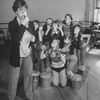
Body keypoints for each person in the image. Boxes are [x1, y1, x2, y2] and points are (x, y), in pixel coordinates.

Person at [8, 0, 35, 100]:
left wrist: (33, 39)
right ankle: (11, 97)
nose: (23, 11)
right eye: (20, 9)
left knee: (28, 76)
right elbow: (15, 39)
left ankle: (29, 96)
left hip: (28, 54)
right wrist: (23, 23)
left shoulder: (31, 24)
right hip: (16, 55)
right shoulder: (12, 24)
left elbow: (33, 38)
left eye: (25, 9)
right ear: (15, 12)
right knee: (13, 79)